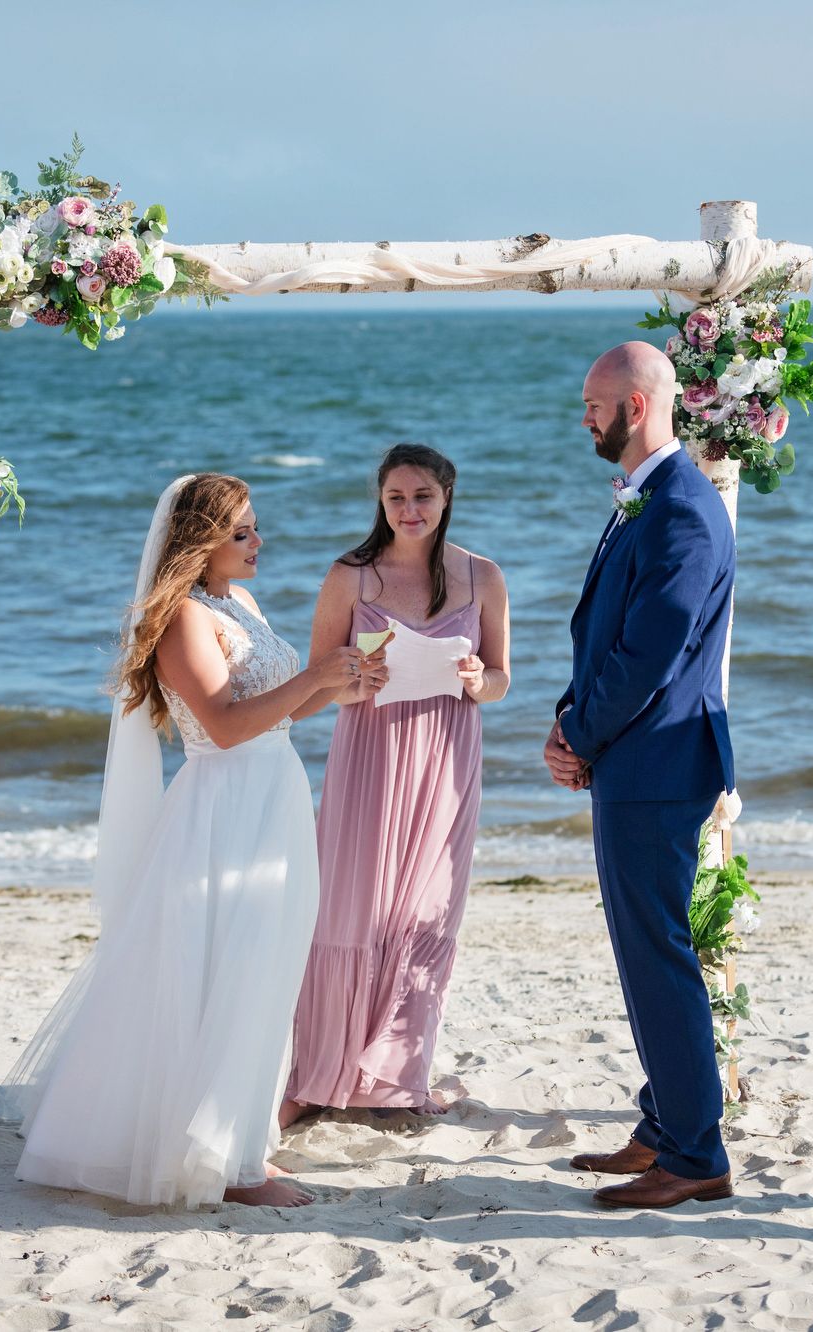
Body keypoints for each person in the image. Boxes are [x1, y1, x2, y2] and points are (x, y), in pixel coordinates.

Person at [6, 474, 374, 1208]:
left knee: (266, 969)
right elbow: (226, 727)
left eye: (255, 528)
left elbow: (277, 716)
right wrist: (314, 677)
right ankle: (226, 1168)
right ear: (200, 541)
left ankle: (240, 1144)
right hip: (223, 811)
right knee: (226, 969)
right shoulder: (181, 620)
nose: (257, 542)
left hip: (274, 798)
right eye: (241, 533)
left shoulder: (239, 604)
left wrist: (345, 685)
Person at [548, 342, 737, 1210]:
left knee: (659, 956)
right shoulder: (648, 500)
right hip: (635, 756)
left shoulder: (684, 510)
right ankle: (664, 1126)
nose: (584, 415)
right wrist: (569, 716)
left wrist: (579, 734)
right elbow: (608, 634)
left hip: (658, 761)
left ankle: (696, 1156)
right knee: (643, 952)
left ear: (639, 403)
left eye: (595, 401)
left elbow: (651, 657)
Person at [282, 444, 510, 1126]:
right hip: (371, 757)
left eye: (422, 497)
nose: (409, 510)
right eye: (395, 498)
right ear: (380, 502)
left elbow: (501, 680)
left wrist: (478, 681)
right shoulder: (351, 576)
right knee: (349, 909)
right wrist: (353, 677)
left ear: (447, 498)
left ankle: (397, 1077)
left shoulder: (483, 577)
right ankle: (320, 1073)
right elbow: (310, 688)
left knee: (427, 912)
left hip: (446, 757)